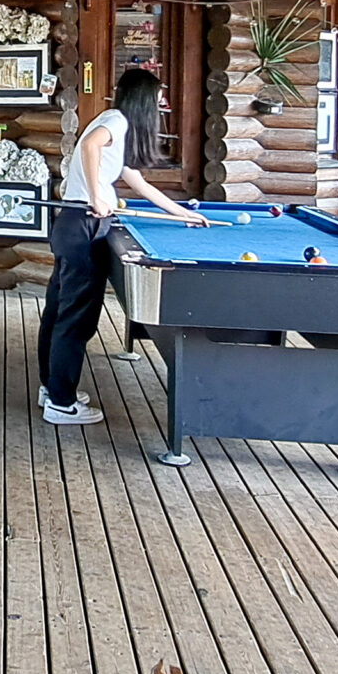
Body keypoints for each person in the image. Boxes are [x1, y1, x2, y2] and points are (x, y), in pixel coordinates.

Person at [38, 67, 208, 427]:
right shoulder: (115, 121)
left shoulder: (117, 123)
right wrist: (99, 197)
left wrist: (182, 214)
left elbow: (140, 184)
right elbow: (88, 145)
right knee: (75, 319)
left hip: (74, 227)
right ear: (144, 99)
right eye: (158, 96)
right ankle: (61, 403)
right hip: (84, 225)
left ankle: (53, 388)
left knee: (58, 310)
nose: (161, 103)